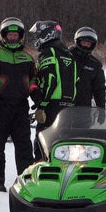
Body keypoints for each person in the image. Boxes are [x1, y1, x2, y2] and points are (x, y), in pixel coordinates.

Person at [0, 17, 38, 192]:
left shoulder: (27, 58)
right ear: (3, 36)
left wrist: (36, 96)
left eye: (15, 35)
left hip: (20, 107)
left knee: (24, 148)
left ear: (20, 37)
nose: (13, 37)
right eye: (10, 35)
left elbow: (34, 79)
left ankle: (26, 181)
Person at [29, 21, 77, 161]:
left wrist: (42, 104)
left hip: (51, 105)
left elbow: (50, 79)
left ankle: (41, 170)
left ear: (46, 35)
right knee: (62, 140)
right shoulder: (68, 54)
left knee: (43, 140)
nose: (35, 39)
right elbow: (76, 80)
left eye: (37, 35)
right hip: (68, 106)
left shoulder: (48, 52)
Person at [69, 26, 106, 108]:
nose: (86, 45)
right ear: (78, 41)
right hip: (64, 106)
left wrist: (101, 108)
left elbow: (99, 89)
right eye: (84, 42)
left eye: (89, 43)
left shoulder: (95, 64)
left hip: (85, 108)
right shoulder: (66, 58)